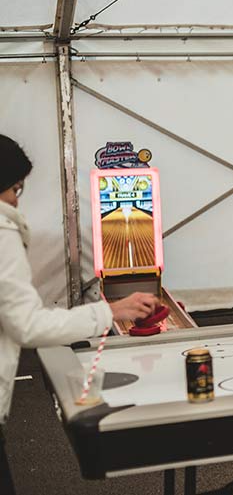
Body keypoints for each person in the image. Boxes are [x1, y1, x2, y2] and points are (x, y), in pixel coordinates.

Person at [0, 134, 157, 494]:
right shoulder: (2, 228)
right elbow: (27, 324)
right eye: (15, 189)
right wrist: (109, 311)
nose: (16, 201)